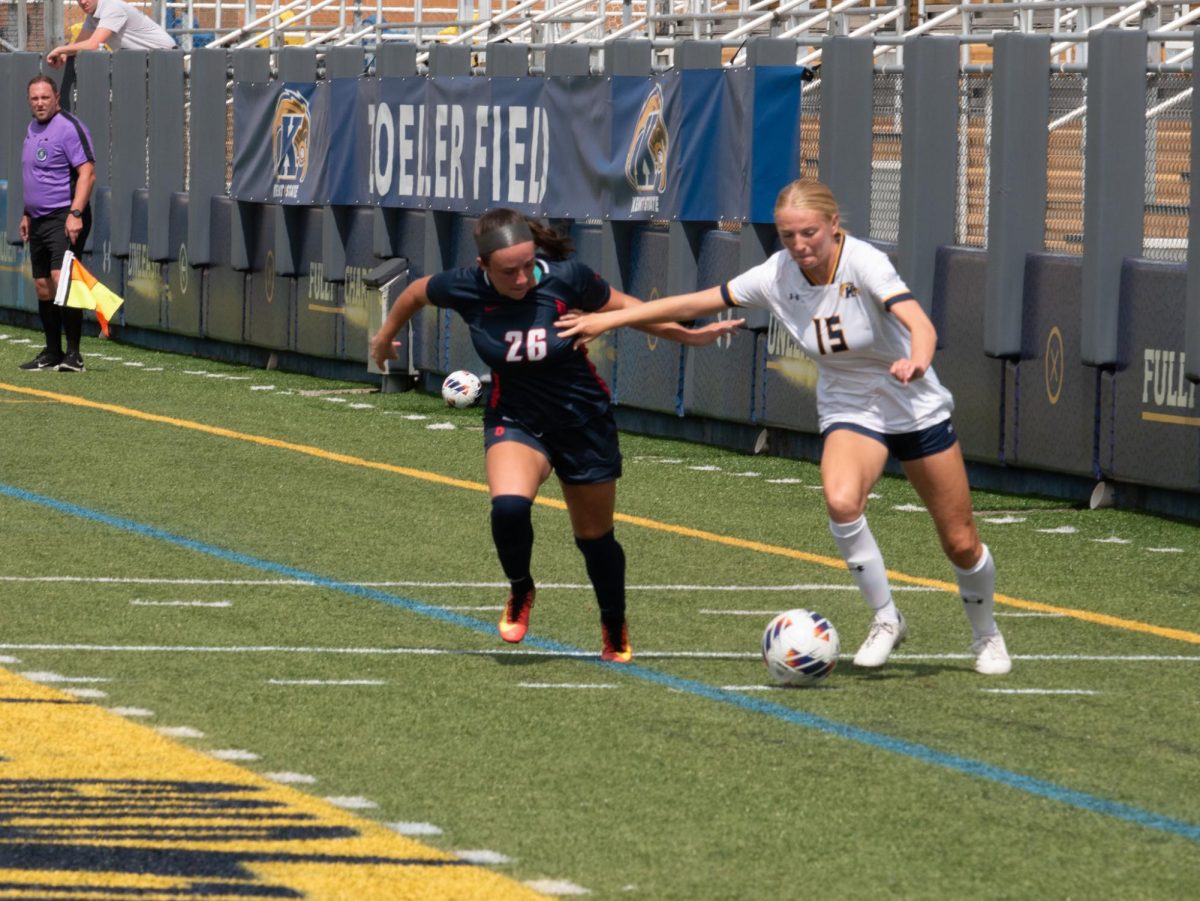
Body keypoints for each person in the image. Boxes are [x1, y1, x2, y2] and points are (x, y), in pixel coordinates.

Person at [556, 177, 1012, 676]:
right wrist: (609, 320)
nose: (799, 245)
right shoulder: (777, 274)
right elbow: (694, 302)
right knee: (841, 502)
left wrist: (918, 362)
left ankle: (985, 634)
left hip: (913, 402)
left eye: (809, 233)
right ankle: (886, 619)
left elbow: (919, 324)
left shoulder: (864, 262)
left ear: (834, 226)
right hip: (850, 407)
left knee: (961, 540)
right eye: (788, 235)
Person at [369, 209, 741, 662]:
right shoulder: (463, 286)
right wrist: (385, 336)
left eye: (528, 264)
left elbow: (630, 309)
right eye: (510, 271)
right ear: (483, 267)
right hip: (517, 417)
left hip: (583, 421)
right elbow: (413, 292)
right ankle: (521, 589)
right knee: (508, 506)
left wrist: (686, 337)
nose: (523, 277)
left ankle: (613, 624)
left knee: (594, 538)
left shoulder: (568, 279)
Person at [18, 75, 96, 373]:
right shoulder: (32, 128)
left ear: (56, 99)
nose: (40, 103)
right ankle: (52, 351)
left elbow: (87, 173)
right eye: (35, 98)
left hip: (64, 217)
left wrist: (75, 214)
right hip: (37, 219)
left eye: (45, 98)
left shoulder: (69, 128)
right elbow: (34, 176)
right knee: (42, 285)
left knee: (60, 279)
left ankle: (74, 354)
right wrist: (26, 213)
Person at [46, 0, 175, 67]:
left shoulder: (112, 8)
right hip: (143, 60)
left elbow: (93, 44)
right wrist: (65, 54)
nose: (83, 2)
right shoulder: (93, 15)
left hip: (166, 57)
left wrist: (60, 49)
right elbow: (79, 44)